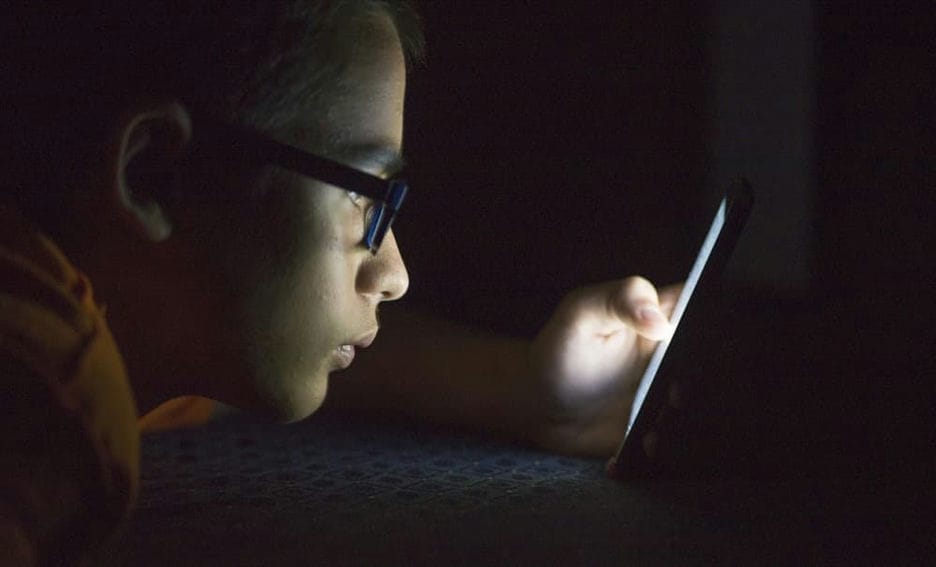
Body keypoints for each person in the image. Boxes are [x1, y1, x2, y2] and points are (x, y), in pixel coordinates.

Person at [1, 2, 678, 564]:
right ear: (154, 175)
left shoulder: (128, 313)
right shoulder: (47, 388)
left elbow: (278, 331)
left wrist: (526, 389)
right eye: (366, 200)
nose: (396, 275)